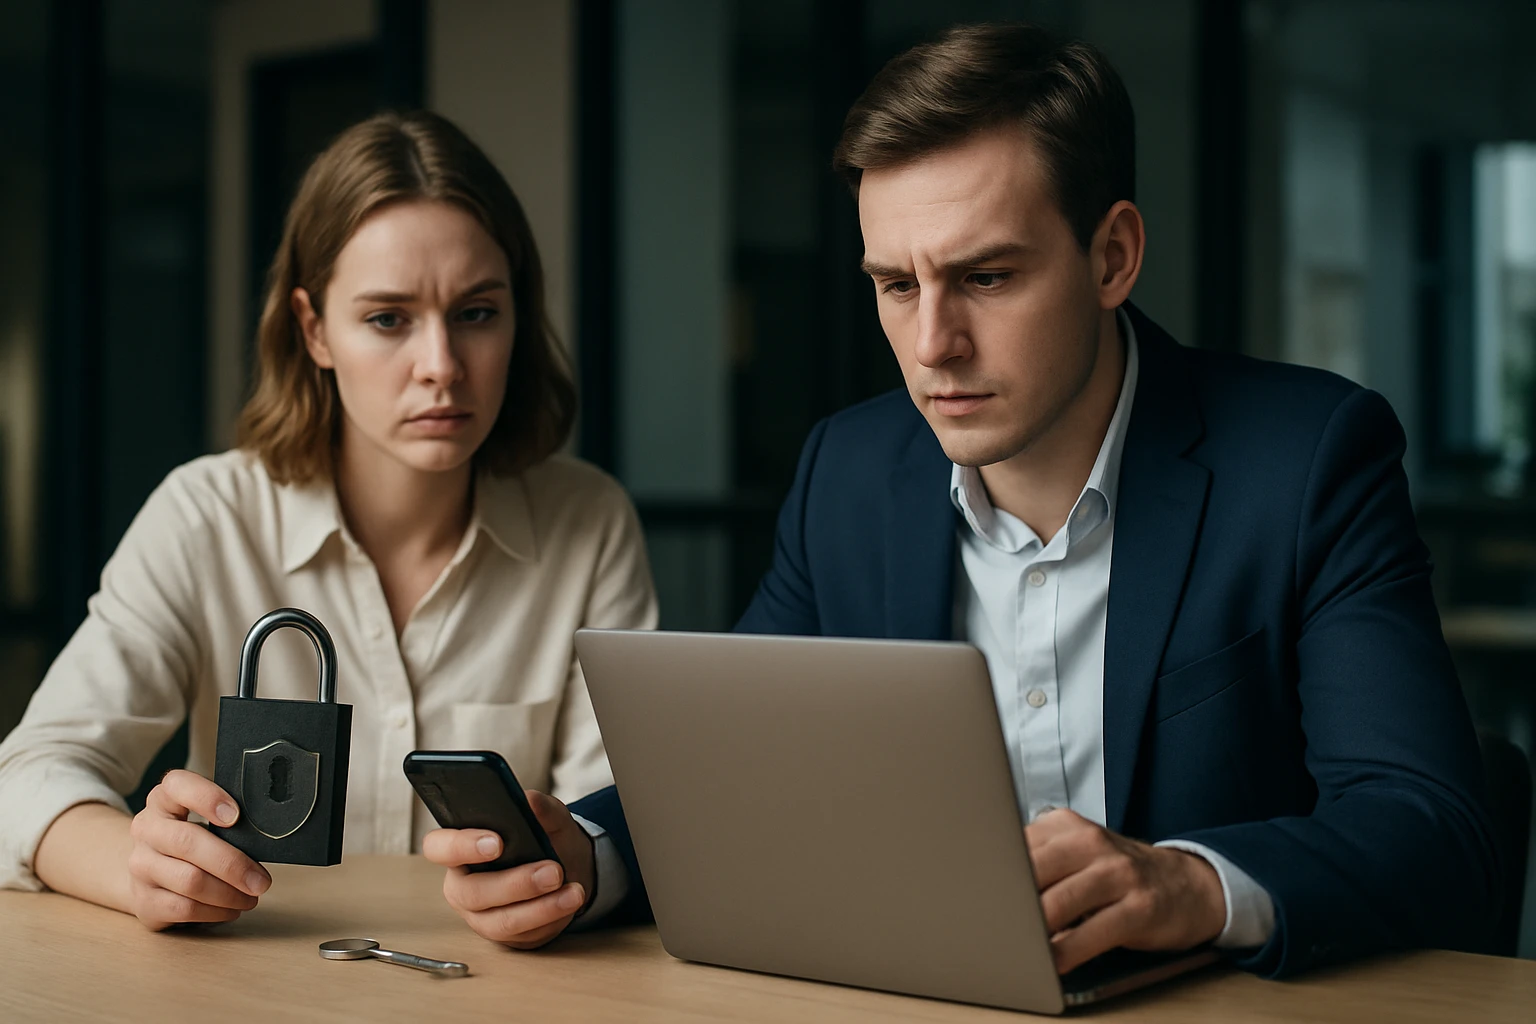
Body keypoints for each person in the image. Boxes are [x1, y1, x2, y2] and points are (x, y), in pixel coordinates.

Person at [423, 22, 1500, 978]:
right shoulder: (848, 471)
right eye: (897, 285)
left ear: (1114, 254)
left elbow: (1432, 825)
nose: (932, 344)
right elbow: (741, 778)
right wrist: (584, 857)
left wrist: (1186, 885)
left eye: (986, 277)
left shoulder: (1309, 458)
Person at [0, 111, 656, 932]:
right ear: (314, 330)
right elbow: (28, 775)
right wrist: (140, 866)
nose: (442, 367)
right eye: (388, 319)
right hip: (252, 985)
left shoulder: (588, 522)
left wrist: (571, 875)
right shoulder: (207, 515)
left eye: (477, 313)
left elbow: (617, 817)